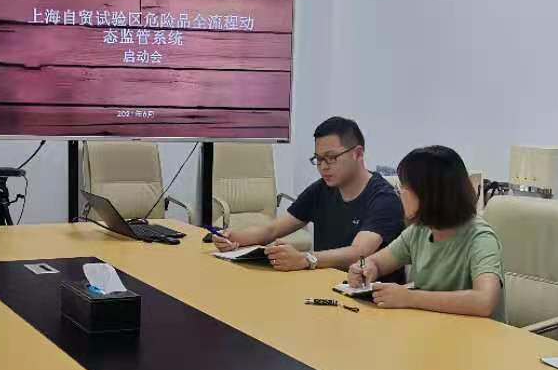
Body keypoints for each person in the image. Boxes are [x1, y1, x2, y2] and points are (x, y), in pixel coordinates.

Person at [213, 116, 404, 272]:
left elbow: (359, 252)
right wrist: (233, 237)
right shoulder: (322, 189)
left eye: (331, 158)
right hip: (325, 285)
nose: (323, 167)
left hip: (372, 296)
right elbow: (272, 230)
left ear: (358, 154)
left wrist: (306, 259)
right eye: (318, 159)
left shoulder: (384, 198)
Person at [346, 146, 506, 320]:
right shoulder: (420, 230)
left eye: (403, 187)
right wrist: (365, 269)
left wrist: (409, 298)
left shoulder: (481, 239)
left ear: (427, 194)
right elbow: (377, 262)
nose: (399, 193)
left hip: (477, 334)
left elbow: (484, 301)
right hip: (435, 327)